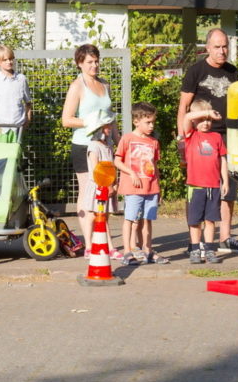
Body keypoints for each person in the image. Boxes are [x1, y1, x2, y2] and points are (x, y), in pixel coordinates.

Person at [177, 27, 238, 254]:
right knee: (199, 190)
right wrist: (181, 139)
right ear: (207, 47)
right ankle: (196, 241)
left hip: (228, 136)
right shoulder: (196, 71)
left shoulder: (233, 71)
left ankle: (225, 238)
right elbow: (183, 107)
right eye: (217, 47)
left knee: (228, 188)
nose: (222, 51)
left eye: (225, 46)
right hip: (200, 136)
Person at [62, 44, 119, 257]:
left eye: (96, 61)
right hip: (84, 146)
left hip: (105, 147)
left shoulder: (105, 84)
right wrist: (90, 121)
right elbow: (66, 120)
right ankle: (89, 245)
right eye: (89, 62)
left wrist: (119, 142)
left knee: (106, 193)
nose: (94, 65)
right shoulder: (77, 86)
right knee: (88, 193)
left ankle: (108, 245)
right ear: (80, 63)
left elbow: (111, 118)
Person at [114, 101, 169, 265]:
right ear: (136, 121)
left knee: (147, 220)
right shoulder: (127, 139)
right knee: (130, 219)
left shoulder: (153, 142)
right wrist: (131, 173)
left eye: (153, 122)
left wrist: (158, 189)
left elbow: (155, 167)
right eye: (148, 122)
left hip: (151, 188)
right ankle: (127, 252)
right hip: (133, 189)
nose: (151, 125)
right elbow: (117, 161)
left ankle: (148, 250)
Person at [182, 100, 229, 264]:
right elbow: (187, 116)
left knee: (210, 220)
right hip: (196, 186)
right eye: (201, 120)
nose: (206, 123)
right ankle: (195, 249)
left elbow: (222, 159)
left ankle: (209, 250)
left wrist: (225, 181)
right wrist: (207, 113)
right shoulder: (191, 135)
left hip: (214, 186)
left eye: (208, 120)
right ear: (196, 121)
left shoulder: (216, 137)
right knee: (195, 221)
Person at [84, 109, 121, 260]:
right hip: (99, 187)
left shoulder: (107, 145)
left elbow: (111, 166)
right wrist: (106, 185)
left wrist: (115, 182)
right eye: (107, 126)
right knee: (94, 216)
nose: (110, 128)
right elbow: (96, 169)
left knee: (104, 216)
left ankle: (107, 247)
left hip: (109, 185)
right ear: (98, 128)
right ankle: (89, 247)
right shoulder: (94, 146)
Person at [0, 45, 32, 142]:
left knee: (14, 156)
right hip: (0, 128)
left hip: (17, 127)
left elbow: (28, 102)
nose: (9, 62)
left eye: (11, 59)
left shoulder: (21, 79)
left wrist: (27, 119)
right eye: (5, 60)